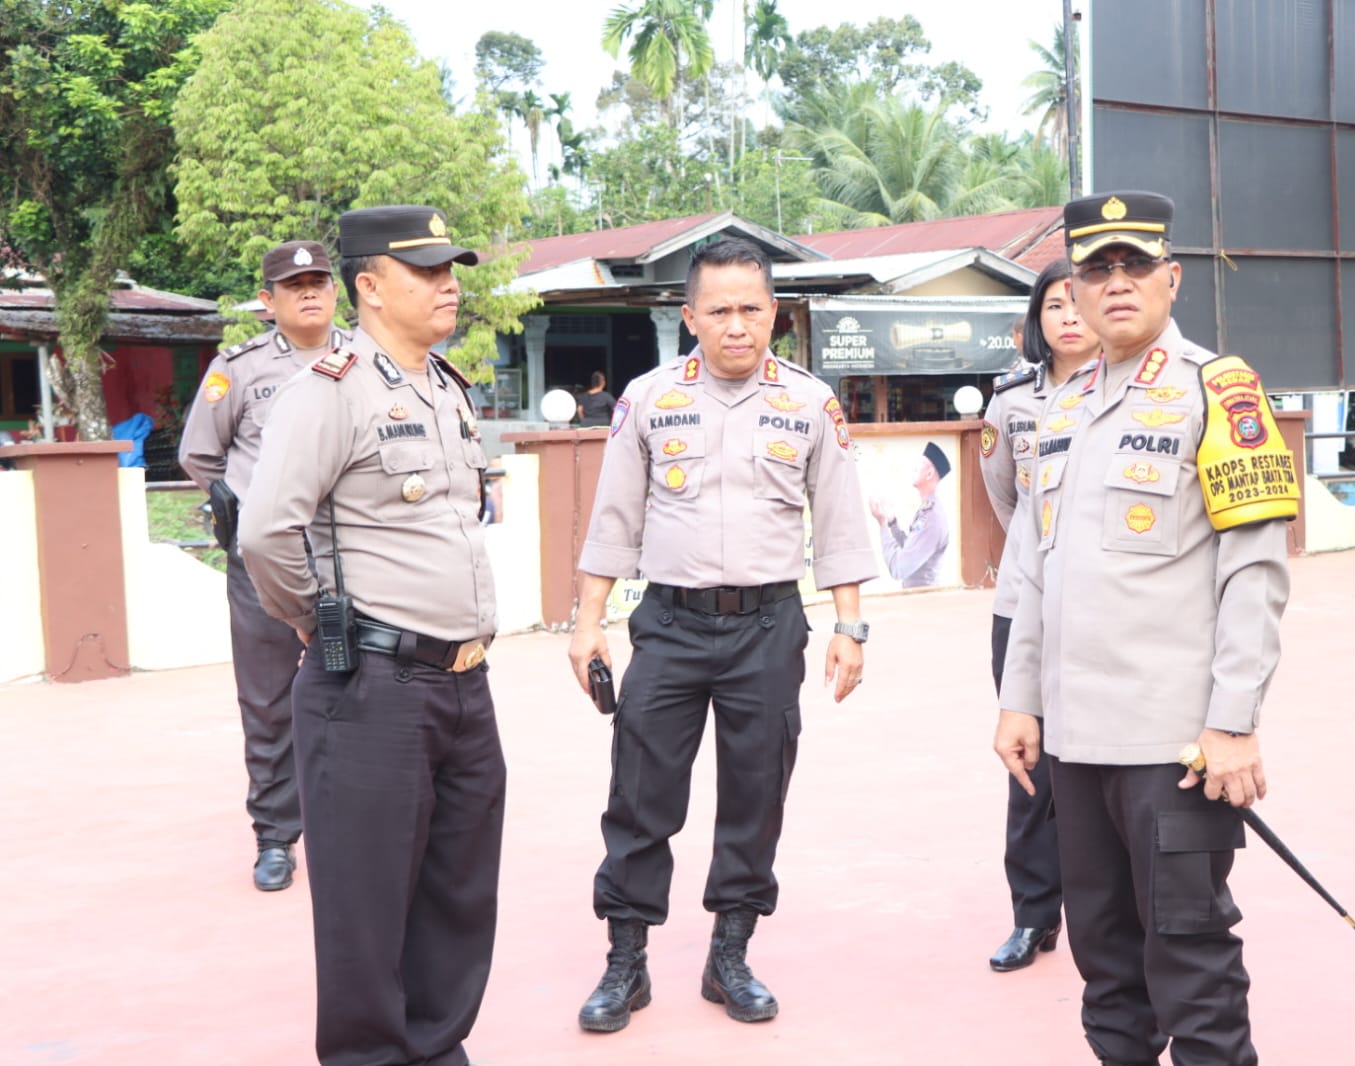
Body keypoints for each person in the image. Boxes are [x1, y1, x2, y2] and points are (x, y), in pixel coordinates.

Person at [995, 191, 1300, 1066]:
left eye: (1134, 267)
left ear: (1170, 278)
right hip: (1075, 745)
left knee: (1191, 963)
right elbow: (1031, 570)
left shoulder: (1218, 389)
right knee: (1105, 967)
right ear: (1075, 292)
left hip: (1176, 747)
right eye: (1097, 270)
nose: (1116, 284)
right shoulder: (1058, 406)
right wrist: (1019, 701)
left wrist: (1233, 720)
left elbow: (1254, 572)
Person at [567, 237, 876, 1034]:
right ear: (690, 317)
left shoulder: (809, 402)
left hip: (770, 626)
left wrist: (849, 625)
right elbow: (613, 518)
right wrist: (587, 621)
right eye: (719, 311)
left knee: (754, 795)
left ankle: (729, 954)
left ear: (773, 312)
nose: (736, 326)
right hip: (668, 625)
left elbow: (838, 523)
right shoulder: (648, 397)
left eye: (751, 309)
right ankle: (624, 963)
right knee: (640, 794)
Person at [237, 206, 503, 1066]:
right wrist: (325, 627)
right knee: (365, 907)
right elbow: (266, 534)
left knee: (457, 896)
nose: (448, 283)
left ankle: (435, 1047)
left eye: (450, 268)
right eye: (426, 271)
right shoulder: (328, 390)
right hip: (372, 688)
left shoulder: (446, 388)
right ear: (370, 286)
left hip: (464, 683)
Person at [177, 239, 343, 892]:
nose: (308, 292)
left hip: (348, 558)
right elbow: (201, 455)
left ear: (336, 291)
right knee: (270, 701)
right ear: (267, 302)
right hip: (265, 562)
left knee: (358, 690)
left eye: (318, 281)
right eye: (292, 284)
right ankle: (276, 835)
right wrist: (243, 508)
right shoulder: (239, 369)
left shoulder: (366, 359)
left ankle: (349, 823)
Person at [978, 258, 1100, 971]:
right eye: (1052, 305)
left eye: (1074, 302)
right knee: (1028, 766)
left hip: (1102, 606)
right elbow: (1007, 502)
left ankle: (1098, 906)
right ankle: (1032, 913)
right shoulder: (1010, 401)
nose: (1067, 317)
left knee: (1099, 763)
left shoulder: (1127, 395)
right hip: (1024, 607)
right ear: (1037, 320)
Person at [870, 441, 950, 588]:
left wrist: (882, 525)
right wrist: (892, 522)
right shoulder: (927, 512)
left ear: (929, 473)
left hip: (924, 603)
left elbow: (899, 568)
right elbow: (910, 547)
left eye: (919, 465)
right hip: (918, 601)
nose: (914, 468)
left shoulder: (932, 518)